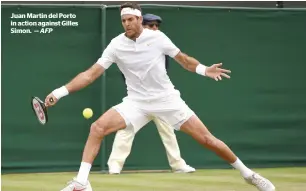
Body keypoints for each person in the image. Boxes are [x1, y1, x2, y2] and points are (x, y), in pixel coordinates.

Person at [45, 2, 275, 191]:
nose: (127, 24)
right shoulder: (116, 44)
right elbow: (91, 74)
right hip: (136, 102)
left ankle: (249, 175)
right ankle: (82, 183)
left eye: (131, 19)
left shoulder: (158, 38)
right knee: (97, 128)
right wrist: (60, 92)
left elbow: (183, 60)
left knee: (207, 140)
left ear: (139, 19)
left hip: (167, 100)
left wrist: (205, 69)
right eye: (123, 20)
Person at [107, 13, 195, 174]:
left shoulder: (160, 41)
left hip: (160, 100)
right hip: (138, 102)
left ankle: (178, 165)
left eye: (156, 25)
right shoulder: (127, 47)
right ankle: (115, 165)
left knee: (168, 130)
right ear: (143, 26)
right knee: (126, 129)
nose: (155, 28)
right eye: (151, 25)